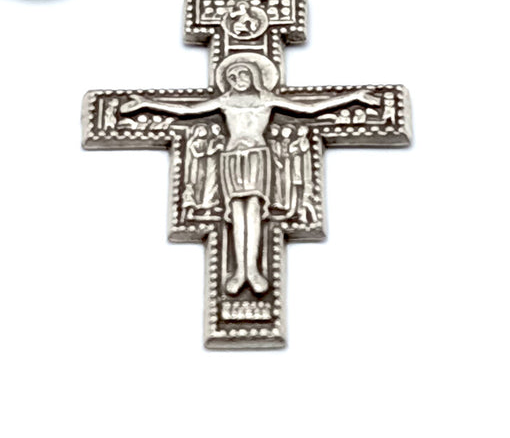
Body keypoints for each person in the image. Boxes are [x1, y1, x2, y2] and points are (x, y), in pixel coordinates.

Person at [123, 54, 379, 295]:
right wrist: (148, 103)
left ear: (254, 75)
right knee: (236, 212)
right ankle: (239, 271)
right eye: (232, 77)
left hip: (257, 156)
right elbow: (187, 111)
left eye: (243, 74)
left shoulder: (267, 100)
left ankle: (253, 270)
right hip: (231, 157)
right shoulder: (225, 101)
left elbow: (311, 109)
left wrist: (353, 97)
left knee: (253, 209)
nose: (238, 80)